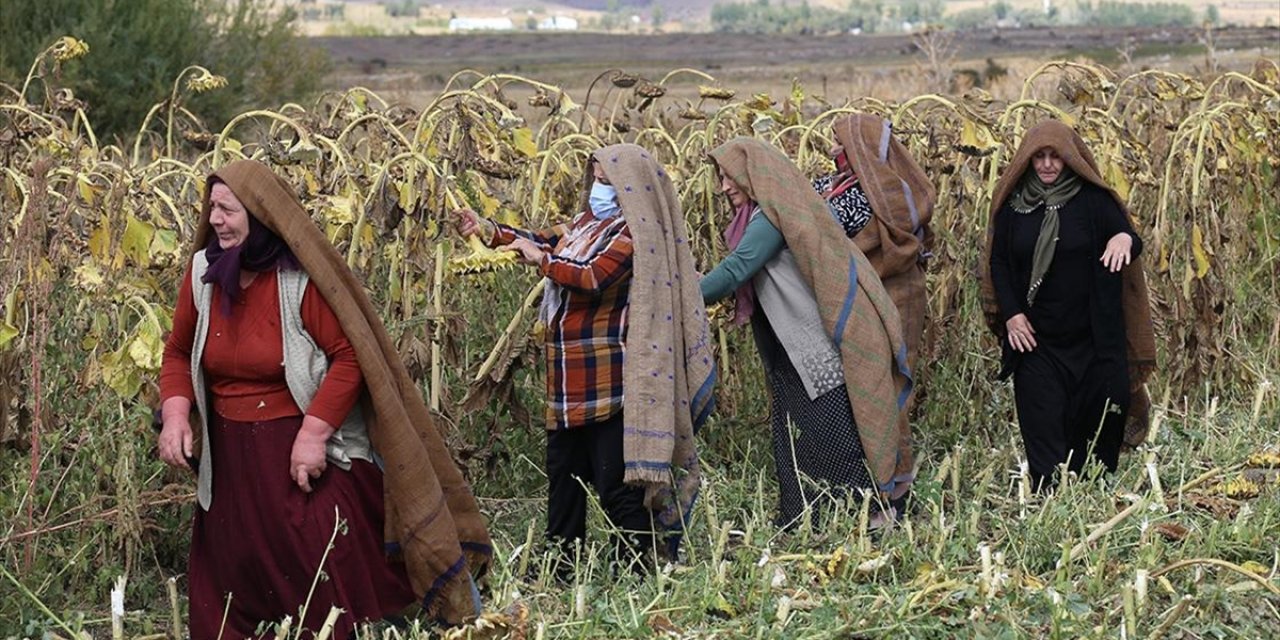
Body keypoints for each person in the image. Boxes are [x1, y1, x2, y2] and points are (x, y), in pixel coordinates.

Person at [158, 160, 490, 638]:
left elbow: (349, 358)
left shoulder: (298, 280)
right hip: (230, 457)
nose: (214, 220)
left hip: (294, 446)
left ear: (259, 215)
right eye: (211, 208)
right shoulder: (202, 274)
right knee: (234, 563)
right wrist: (175, 414)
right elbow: (178, 350)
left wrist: (313, 434)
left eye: (227, 210)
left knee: (316, 557)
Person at [454, 144, 714, 572]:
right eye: (595, 178)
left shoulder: (634, 235)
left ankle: (638, 568)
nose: (598, 188)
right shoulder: (583, 226)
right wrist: (485, 229)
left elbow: (591, 277)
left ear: (631, 187)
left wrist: (544, 261)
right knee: (564, 479)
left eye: (607, 181)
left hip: (609, 381)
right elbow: (539, 239)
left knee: (615, 485)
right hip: (567, 381)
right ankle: (562, 565)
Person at [701, 137, 914, 530]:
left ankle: (870, 516)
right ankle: (809, 519)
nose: (725, 186)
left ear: (755, 176)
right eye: (721, 177)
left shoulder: (769, 218)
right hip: (790, 348)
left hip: (812, 347)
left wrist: (676, 295)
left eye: (731, 177)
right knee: (798, 436)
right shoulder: (756, 217)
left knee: (830, 435)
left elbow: (734, 272)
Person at [981, 120, 1157, 491]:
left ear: (1070, 159)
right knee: (1042, 427)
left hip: (1093, 340)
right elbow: (997, 263)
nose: (1047, 164)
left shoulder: (1092, 200)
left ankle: (1088, 497)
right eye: (1039, 157)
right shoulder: (1015, 206)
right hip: (1036, 341)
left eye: (1055, 157)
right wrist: (1012, 315)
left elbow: (1129, 236)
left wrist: (1123, 239)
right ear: (1027, 160)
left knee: (1096, 429)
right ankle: (1050, 503)